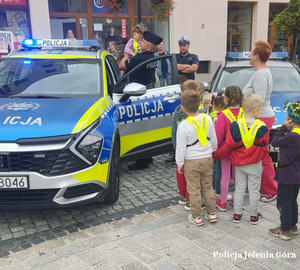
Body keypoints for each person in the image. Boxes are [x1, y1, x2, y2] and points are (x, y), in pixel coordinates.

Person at [213, 94, 269, 225]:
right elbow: (264, 143)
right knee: (254, 189)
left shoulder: (235, 125)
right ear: (256, 109)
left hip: (239, 162)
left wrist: (215, 154)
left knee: (239, 188)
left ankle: (237, 215)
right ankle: (254, 216)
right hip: (255, 163)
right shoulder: (262, 126)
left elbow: (229, 144)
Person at [119, 31, 163, 170]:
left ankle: (141, 161)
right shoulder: (151, 57)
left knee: (138, 127)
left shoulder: (140, 58)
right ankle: (147, 155)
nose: (140, 43)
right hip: (147, 92)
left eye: (143, 42)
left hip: (137, 96)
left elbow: (121, 65)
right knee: (147, 126)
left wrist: (127, 54)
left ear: (149, 48)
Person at [176, 89, 218, 226]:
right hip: (207, 158)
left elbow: (180, 148)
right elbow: (213, 139)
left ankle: (196, 216)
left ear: (183, 107)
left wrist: (179, 164)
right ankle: (211, 214)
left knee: (193, 189)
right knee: (207, 187)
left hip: (191, 161)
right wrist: (213, 150)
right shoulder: (207, 119)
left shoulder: (183, 126)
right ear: (200, 104)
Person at [243, 41, 277, 203]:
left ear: (257, 57)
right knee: (259, 153)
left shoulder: (261, 74)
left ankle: (270, 189)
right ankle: (261, 186)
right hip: (260, 117)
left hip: (260, 118)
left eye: (251, 54)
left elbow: (259, 100)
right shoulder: (262, 72)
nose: (249, 56)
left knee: (262, 154)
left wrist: (252, 121)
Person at [269, 101, 300, 241]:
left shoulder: (292, 136)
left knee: (283, 202)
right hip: (296, 175)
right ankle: (293, 226)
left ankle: (284, 230)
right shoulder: (295, 134)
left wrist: (282, 128)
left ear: (290, 119)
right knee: (292, 200)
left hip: (287, 175)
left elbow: (275, 142)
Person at [171, 80, 205, 211]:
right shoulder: (202, 112)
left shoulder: (177, 111)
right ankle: (191, 199)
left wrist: (176, 147)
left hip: (181, 149)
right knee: (193, 176)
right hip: (195, 150)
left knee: (181, 172)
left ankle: (183, 195)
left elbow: (173, 130)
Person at [214, 86, 244, 211]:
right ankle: (239, 202)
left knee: (225, 175)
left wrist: (215, 150)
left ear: (225, 98)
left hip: (226, 150)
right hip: (241, 149)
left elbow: (218, 137)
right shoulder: (244, 112)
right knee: (238, 177)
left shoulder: (223, 116)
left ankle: (223, 201)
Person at [210, 92, 225, 196]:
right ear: (221, 106)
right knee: (219, 169)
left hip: (212, 144)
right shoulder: (219, 117)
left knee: (215, 168)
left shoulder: (211, 115)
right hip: (219, 145)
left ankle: (213, 187)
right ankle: (218, 189)